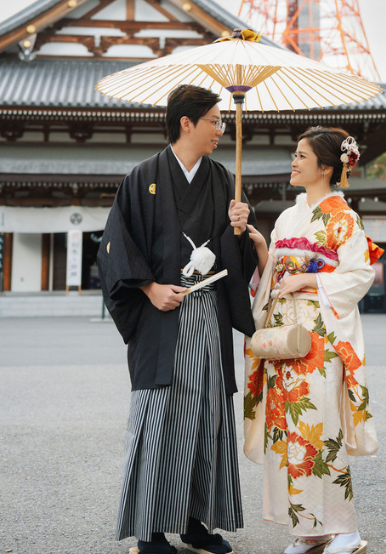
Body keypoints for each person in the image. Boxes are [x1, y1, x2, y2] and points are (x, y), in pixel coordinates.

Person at [98, 84, 260, 554]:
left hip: (206, 315)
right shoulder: (142, 177)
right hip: (158, 314)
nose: (220, 130)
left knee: (207, 414)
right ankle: (150, 529)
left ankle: (197, 522)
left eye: (223, 122)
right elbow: (115, 246)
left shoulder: (224, 180)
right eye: (214, 121)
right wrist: (149, 287)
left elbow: (235, 264)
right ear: (186, 122)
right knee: (160, 415)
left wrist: (237, 230)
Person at [241, 127, 381, 554]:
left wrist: (309, 277)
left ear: (325, 167)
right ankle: (310, 530)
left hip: (320, 338)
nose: (293, 162)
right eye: (294, 154)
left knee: (320, 432)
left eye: (302, 156)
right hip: (286, 338)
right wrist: (266, 252)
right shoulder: (287, 216)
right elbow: (272, 281)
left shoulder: (344, 217)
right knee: (287, 433)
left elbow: (359, 276)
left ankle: (347, 530)